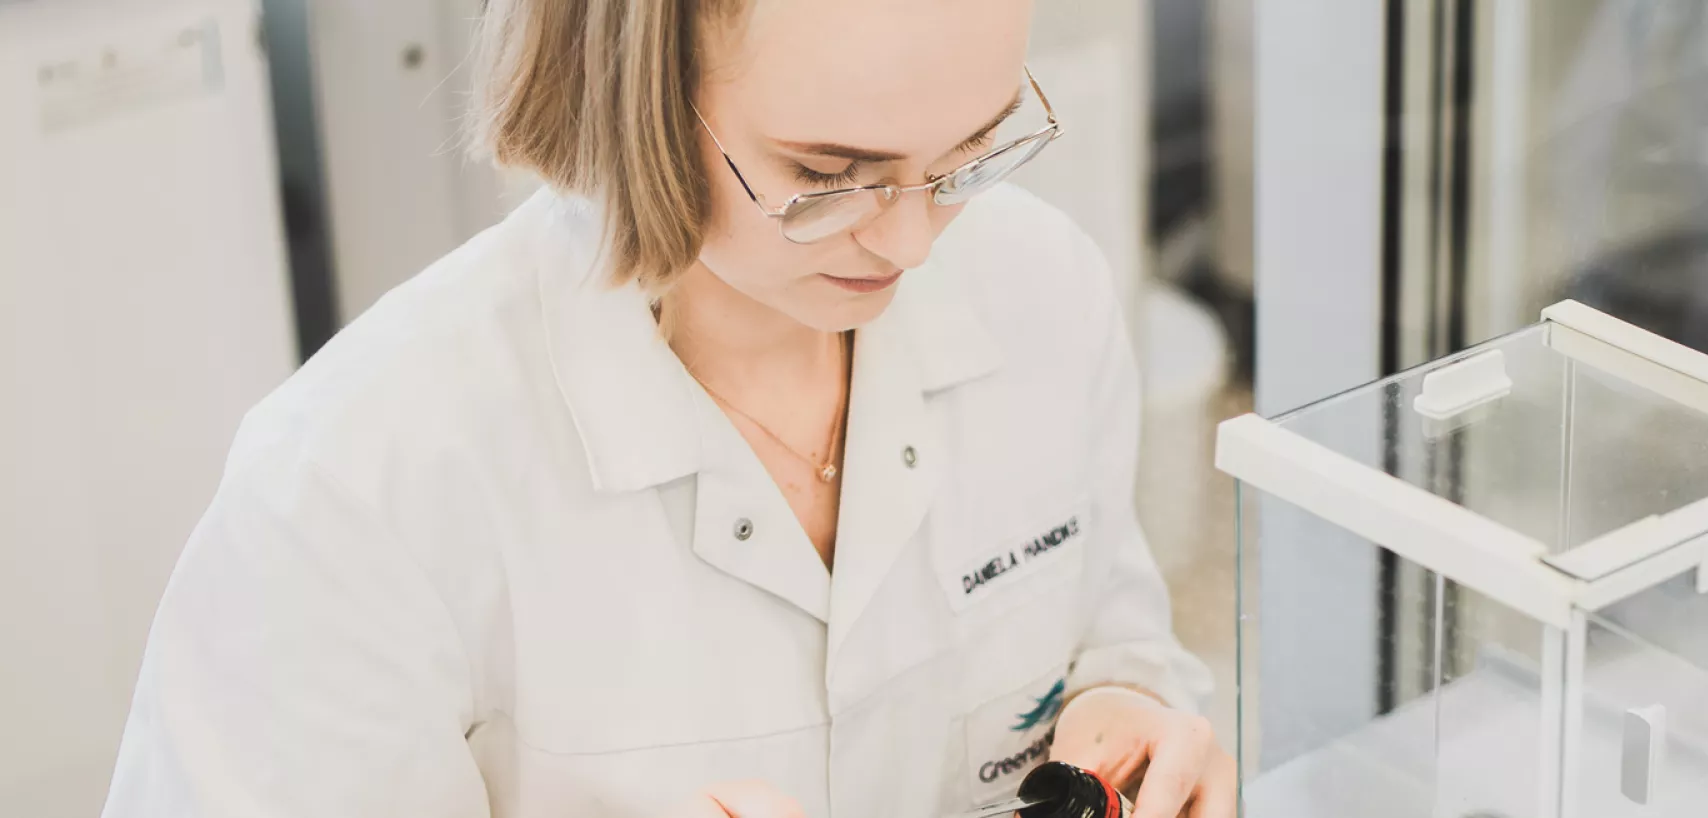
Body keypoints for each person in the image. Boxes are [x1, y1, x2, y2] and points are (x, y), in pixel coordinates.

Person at [100, 0, 1226, 815]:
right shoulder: (354, 483)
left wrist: (1126, 706)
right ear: (630, 79)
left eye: (973, 150)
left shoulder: (1044, 292)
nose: (912, 239)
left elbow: (1108, 631)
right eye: (830, 171)